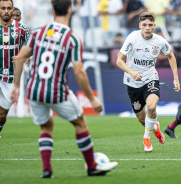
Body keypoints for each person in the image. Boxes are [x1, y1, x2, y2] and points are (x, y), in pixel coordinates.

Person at [10, 0, 117, 178]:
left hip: (34, 90)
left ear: (52, 10)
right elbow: (79, 72)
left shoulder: (38, 32)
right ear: (70, 10)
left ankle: (47, 170)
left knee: (46, 127)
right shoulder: (72, 38)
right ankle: (91, 166)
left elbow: (20, 58)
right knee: (80, 123)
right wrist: (92, 99)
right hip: (57, 91)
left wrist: (16, 86)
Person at [116, 12, 180, 153]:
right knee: (141, 119)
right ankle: (155, 128)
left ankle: (146, 138)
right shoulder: (132, 38)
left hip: (150, 79)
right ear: (140, 26)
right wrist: (132, 73)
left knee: (151, 107)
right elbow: (119, 60)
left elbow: (171, 56)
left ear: (154, 26)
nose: (147, 28)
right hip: (132, 82)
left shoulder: (160, 41)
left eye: (150, 25)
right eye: (144, 25)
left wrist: (176, 78)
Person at [0, 0, 30, 137]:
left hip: (10, 77)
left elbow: (32, 47)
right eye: (3, 8)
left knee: (2, 114)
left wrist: (24, 56)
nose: (6, 11)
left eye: (9, 8)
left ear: (13, 10)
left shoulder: (21, 29)